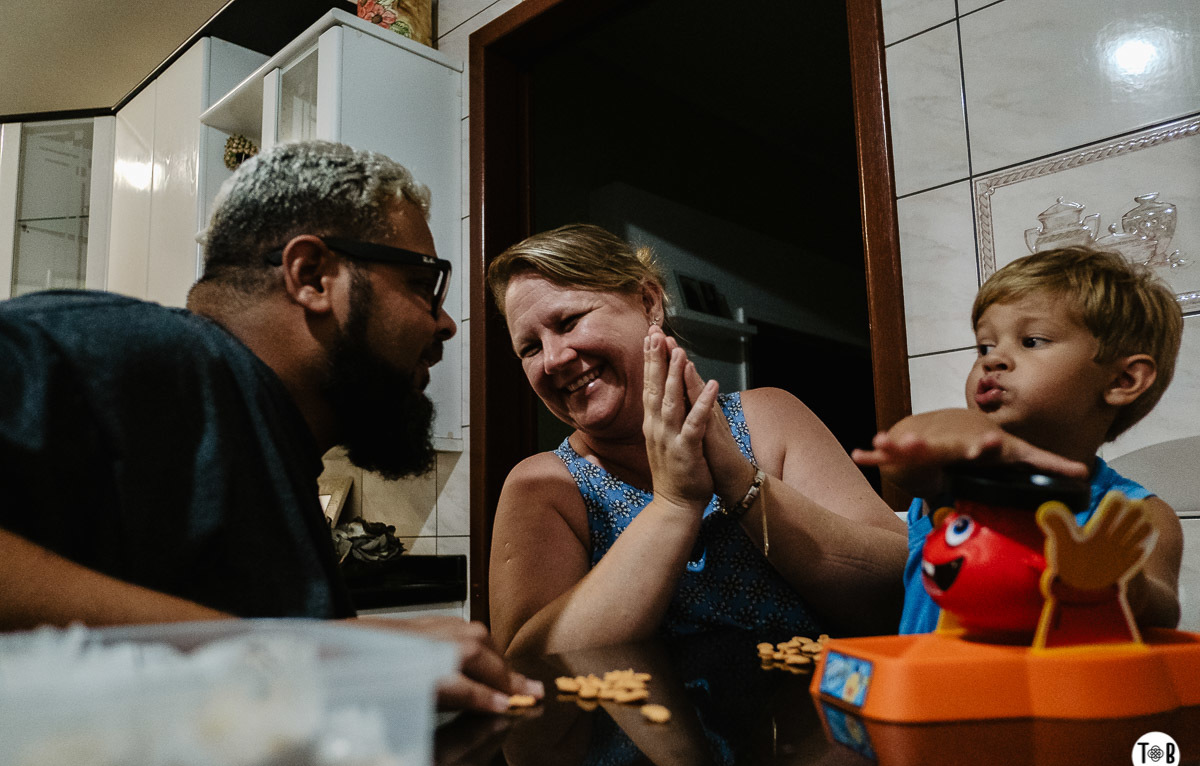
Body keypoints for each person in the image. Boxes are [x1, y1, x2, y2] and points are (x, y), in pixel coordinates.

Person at [0, 140, 541, 713]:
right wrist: (314, 653)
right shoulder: (125, 351)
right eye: (422, 285)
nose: (445, 323)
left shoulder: (274, 443)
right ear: (311, 276)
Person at [486, 223, 908, 656]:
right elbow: (527, 664)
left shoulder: (769, 418)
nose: (553, 359)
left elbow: (903, 593)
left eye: (569, 321)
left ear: (648, 302)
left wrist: (741, 482)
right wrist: (675, 504)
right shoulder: (543, 486)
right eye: (530, 348)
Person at [852, 246, 1184, 634]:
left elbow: (1164, 613)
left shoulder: (1135, 513)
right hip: (923, 691)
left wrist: (1114, 579)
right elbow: (901, 451)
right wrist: (996, 445)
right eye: (985, 347)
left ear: (1122, 381)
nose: (993, 360)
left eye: (1032, 341)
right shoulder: (953, 484)